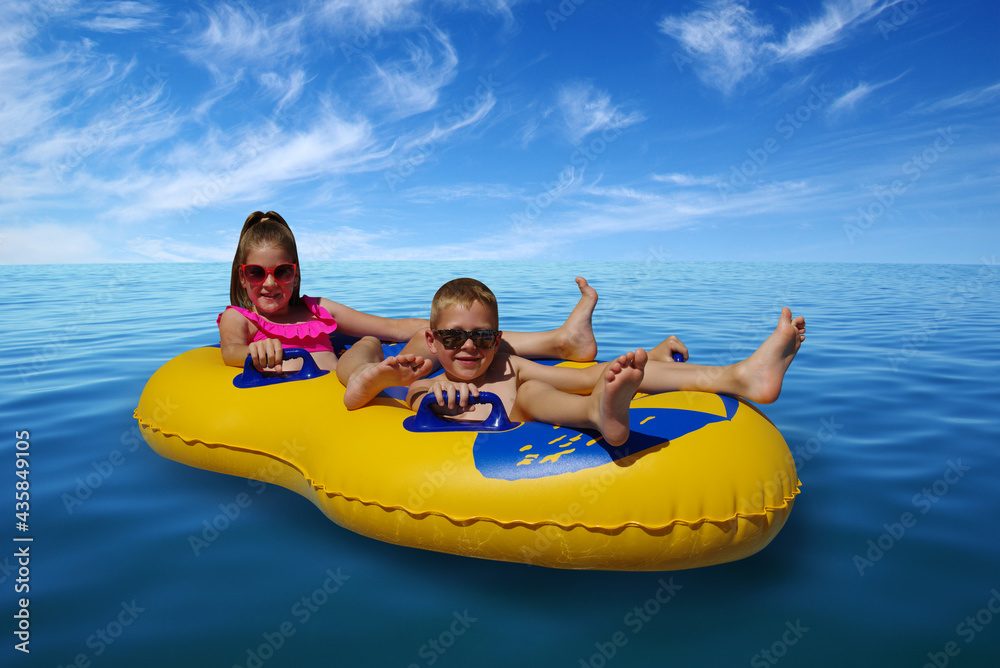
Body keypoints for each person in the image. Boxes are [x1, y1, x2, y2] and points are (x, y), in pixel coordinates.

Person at [345, 278, 806, 447]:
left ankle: (741, 376)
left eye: (483, 336)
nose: (468, 347)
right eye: (453, 337)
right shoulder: (428, 378)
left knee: (588, 375)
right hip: (497, 410)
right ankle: (597, 412)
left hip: (525, 387)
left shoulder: (506, 364)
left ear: (499, 338)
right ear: (432, 341)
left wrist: (612, 373)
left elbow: (582, 374)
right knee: (529, 397)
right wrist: (393, 379)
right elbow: (361, 398)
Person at [218, 211, 600, 375]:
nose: (270, 283)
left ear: (295, 272)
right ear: (243, 274)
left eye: (282, 271)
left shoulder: (317, 309)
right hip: (340, 391)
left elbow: (391, 327)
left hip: (374, 375)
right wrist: (253, 351)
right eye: (257, 272)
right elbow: (231, 350)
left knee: (446, 338)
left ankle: (559, 342)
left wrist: (444, 330)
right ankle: (560, 344)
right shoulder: (242, 318)